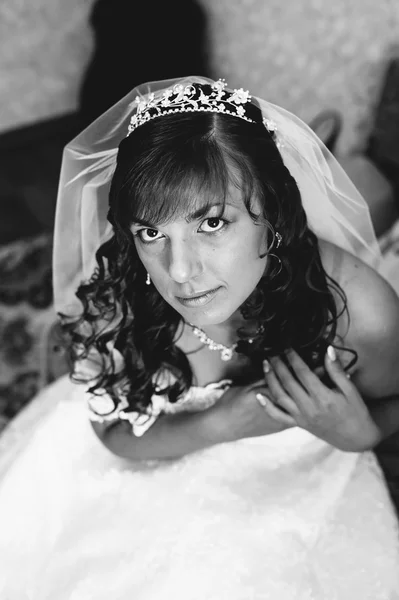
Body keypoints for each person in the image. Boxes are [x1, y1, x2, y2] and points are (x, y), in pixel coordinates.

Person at [0, 76, 399, 599]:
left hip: (291, 490)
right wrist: (222, 421)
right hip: (137, 473)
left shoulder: (361, 313)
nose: (181, 271)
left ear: (272, 215)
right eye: (152, 233)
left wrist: (361, 434)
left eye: (211, 223)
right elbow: (112, 435)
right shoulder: (118, 296)